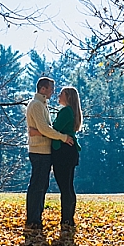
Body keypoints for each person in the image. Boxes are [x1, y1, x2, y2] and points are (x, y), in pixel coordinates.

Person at [24, 77, 73, 231]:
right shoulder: (37, 105)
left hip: (44, 150)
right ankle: (33, 219)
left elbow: (43, 129)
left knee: (41, 185)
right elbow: (46, 129)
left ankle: (36, 218)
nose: (53, 92)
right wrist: (63, 137)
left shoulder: (42, 105)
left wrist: (37, 132)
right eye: (51, 88)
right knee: (37, 185)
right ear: (43, 89)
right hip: (39, 151)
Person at [50, 86, 82, 230]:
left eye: (61, 94)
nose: (58, 95)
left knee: (64, 187)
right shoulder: (72, 112)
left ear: (68, 97)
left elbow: (55, 128)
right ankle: (69, 218)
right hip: (70, 151)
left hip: (63, 152)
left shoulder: (65, 111)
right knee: (68, 186)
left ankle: (66, 219)